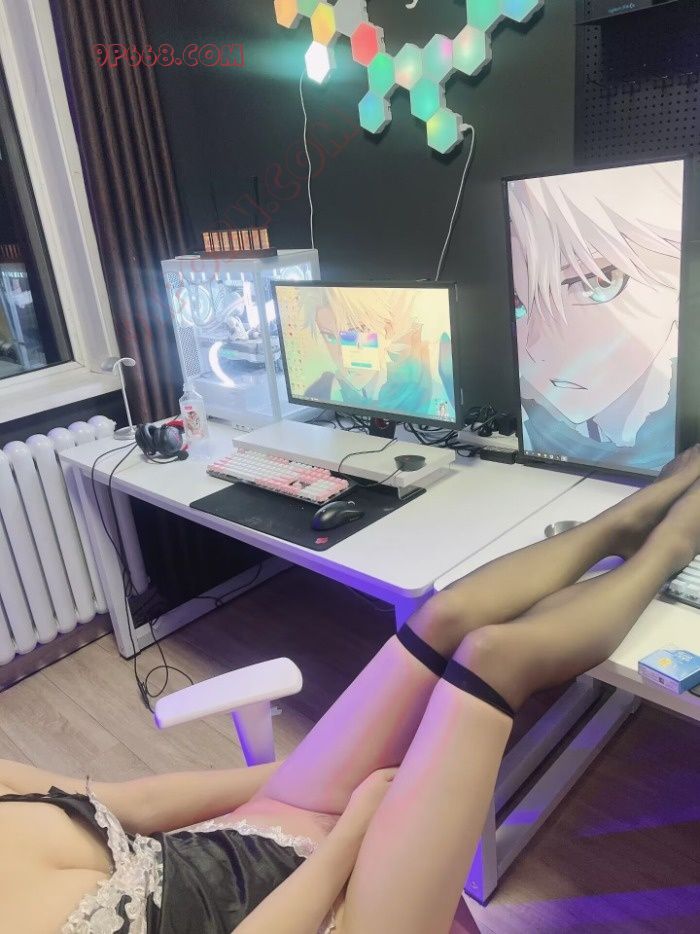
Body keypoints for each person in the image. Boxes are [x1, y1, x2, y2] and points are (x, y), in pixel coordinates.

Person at [3, 446, 700, 933]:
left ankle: (628, 521)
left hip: (240, 842)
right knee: (493, 658)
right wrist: (353, 828)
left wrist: (293, 773)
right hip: (316, 917)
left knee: (445, 617)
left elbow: (131, 804)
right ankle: (673, 546)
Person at [508, 161, 683, 471]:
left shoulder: (679, 431)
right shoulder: (536, 424)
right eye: (517, 302)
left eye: (598, 282)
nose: (533, 346)